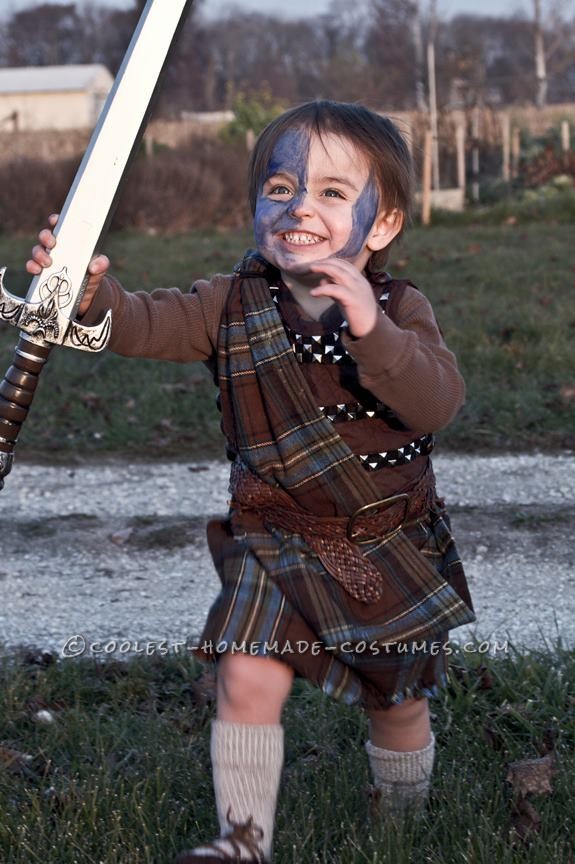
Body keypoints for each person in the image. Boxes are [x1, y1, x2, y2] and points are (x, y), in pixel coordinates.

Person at [28, 100, 475, 864]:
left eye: (333, 192)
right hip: (273, 536)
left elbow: (438, 401)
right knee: (245, 674)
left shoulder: (400, 311)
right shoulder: (225, 303)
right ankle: (242, 843)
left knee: (395, 704)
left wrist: (374, 332)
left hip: (382, 543)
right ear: (254, 207)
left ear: (382, 225)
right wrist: (89, 295)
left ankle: (402, 827)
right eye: (278, 187)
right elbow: (140, 322)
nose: (299, 204)